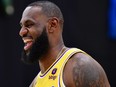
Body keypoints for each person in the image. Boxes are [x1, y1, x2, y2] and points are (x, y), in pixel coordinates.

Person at [19, 1, 110, 87]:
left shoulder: (81, 67)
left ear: (52, 25)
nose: (21, 32)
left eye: (29, 24)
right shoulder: (35, 83)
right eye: (21, 26)